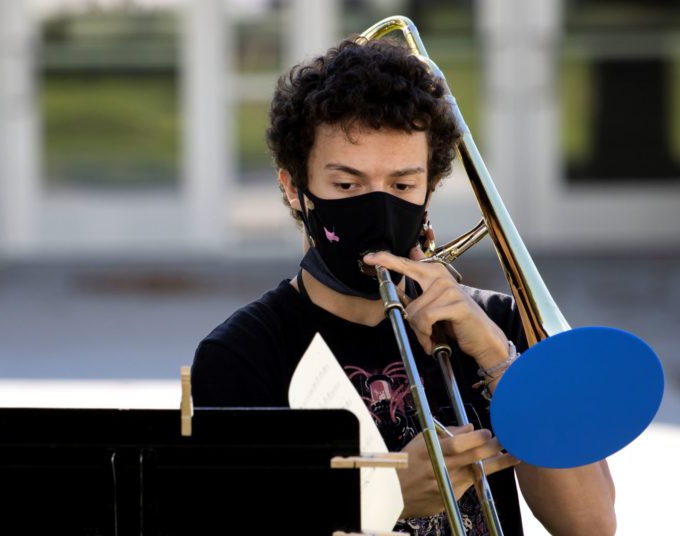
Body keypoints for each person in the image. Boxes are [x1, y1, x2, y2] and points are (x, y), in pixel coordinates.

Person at [192, 37, 615, 536]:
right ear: (293, 187)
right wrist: (380, 499)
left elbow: (591, 525)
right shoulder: (244, 352)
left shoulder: (494, 325)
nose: (378, 208)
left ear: (430, 189)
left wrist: (501, 363)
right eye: (347, 186)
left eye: (402, 186)